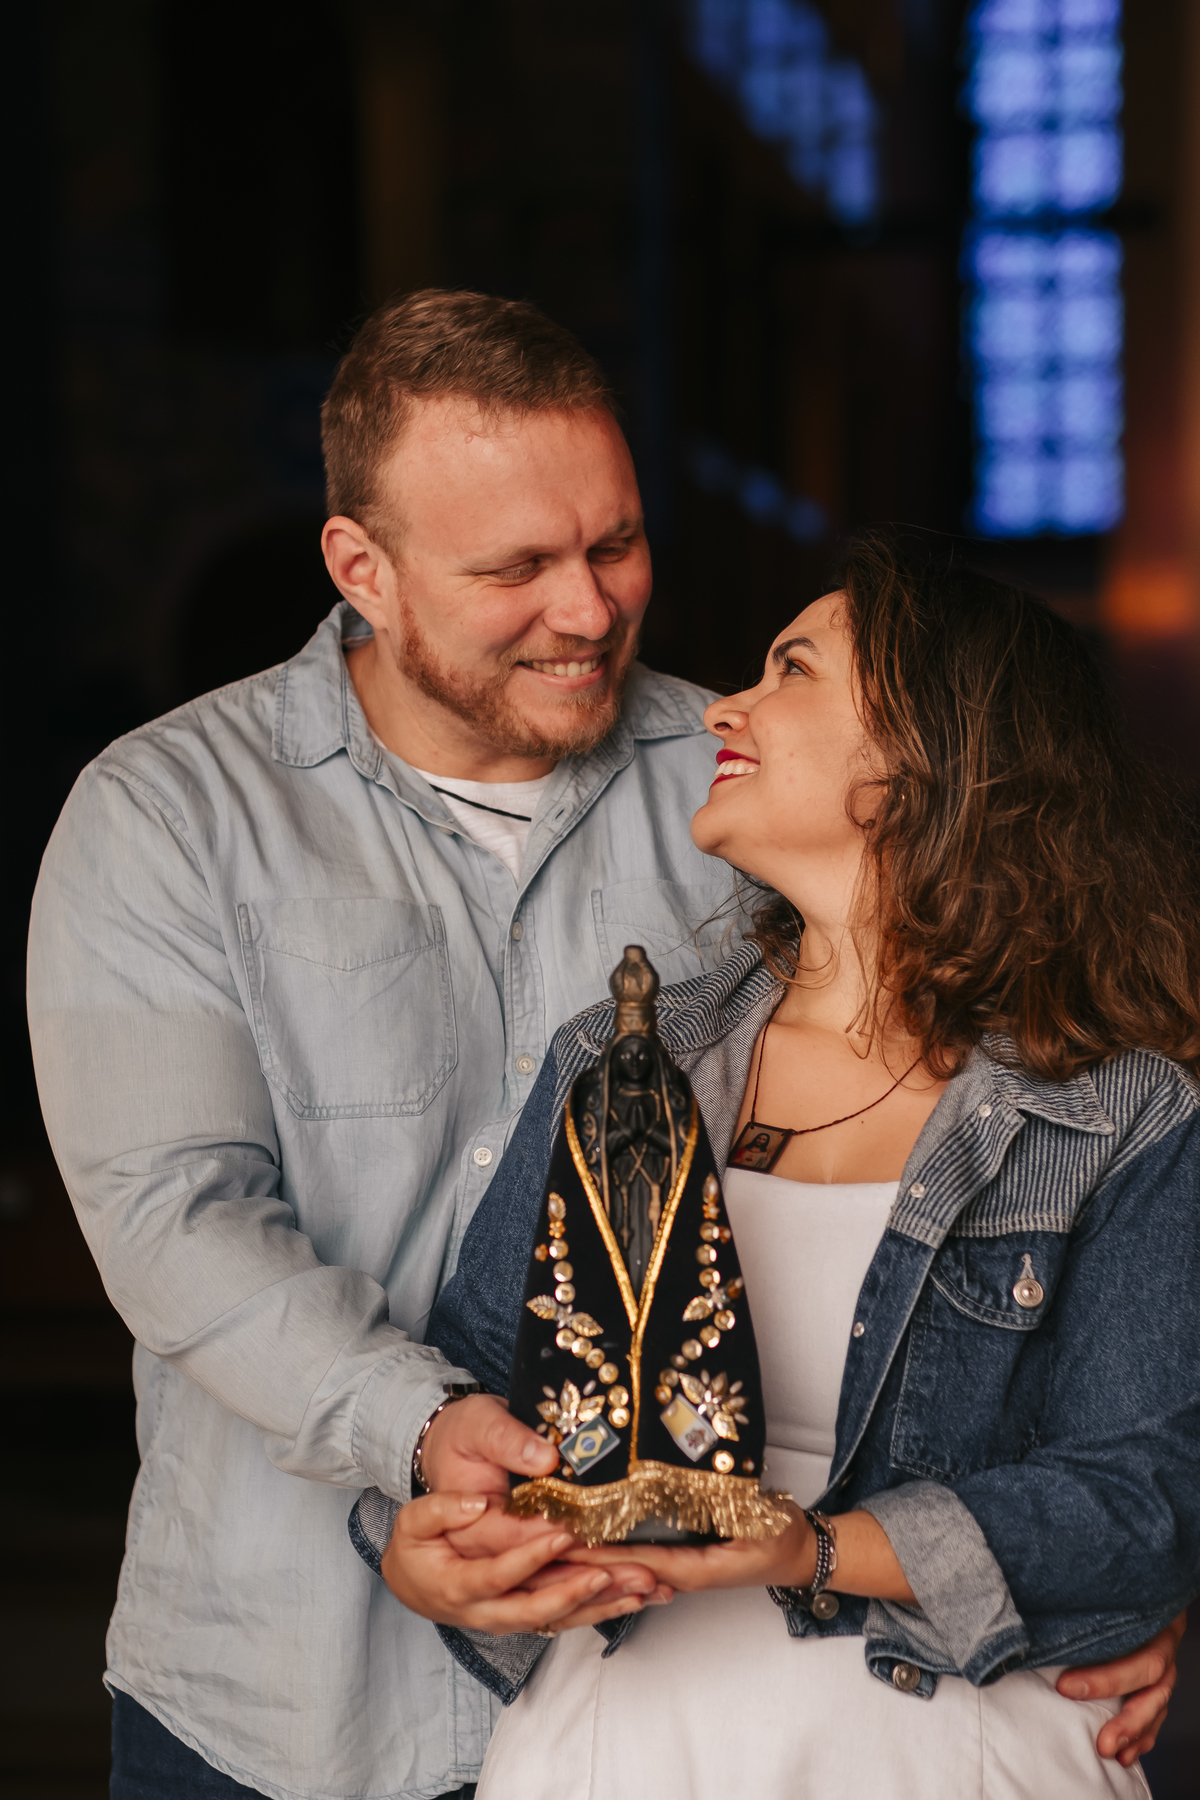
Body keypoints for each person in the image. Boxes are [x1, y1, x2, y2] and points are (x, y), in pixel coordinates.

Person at [25, 290, 740, 1800]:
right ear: (363, 569)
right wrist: (421, 1428)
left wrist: (1060, 1567)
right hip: (283, 1708)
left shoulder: (741, 788)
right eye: (515, 568)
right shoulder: (165, 816)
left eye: (614, 544)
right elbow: (174, 1218)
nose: (589, 610)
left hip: (679, 1699)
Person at [369, 537, 1199, 1797]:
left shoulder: (1118, 1110)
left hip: (951, 1752)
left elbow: (1143, 1502)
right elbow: (479, 1398)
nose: (725, 708)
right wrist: (429, 1548)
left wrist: (806, 1547)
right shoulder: (617, 1059)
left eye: (791, 670)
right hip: (618, 1746)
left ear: (925, 756)